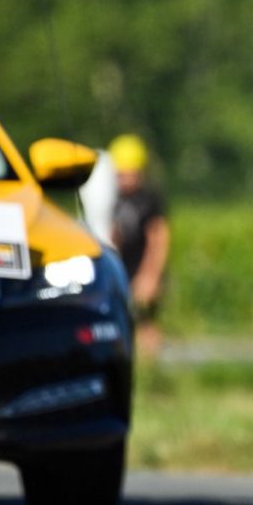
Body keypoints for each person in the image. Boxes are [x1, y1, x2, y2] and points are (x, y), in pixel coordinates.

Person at [107, 134, 170, 358]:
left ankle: (152, 373)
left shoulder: (149, 199)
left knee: (146, 323)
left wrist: (151, 275)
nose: (122, 180)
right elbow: (116, 235)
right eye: (119, 175)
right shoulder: (117, 199)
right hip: (124, 269)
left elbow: (159, 238)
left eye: (127, 174)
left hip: (145, 269)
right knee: (124, 323)